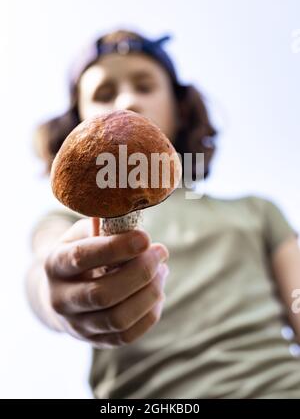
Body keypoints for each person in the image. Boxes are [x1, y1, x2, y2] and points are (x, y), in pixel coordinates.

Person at [27, 29, 300, 399]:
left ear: (179, 106)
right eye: (103, 94)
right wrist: (60, 297)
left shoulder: (256, 212)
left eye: (144, 86)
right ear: (77, 120)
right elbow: (44, 272)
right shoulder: (69, 220)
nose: (126, 100)